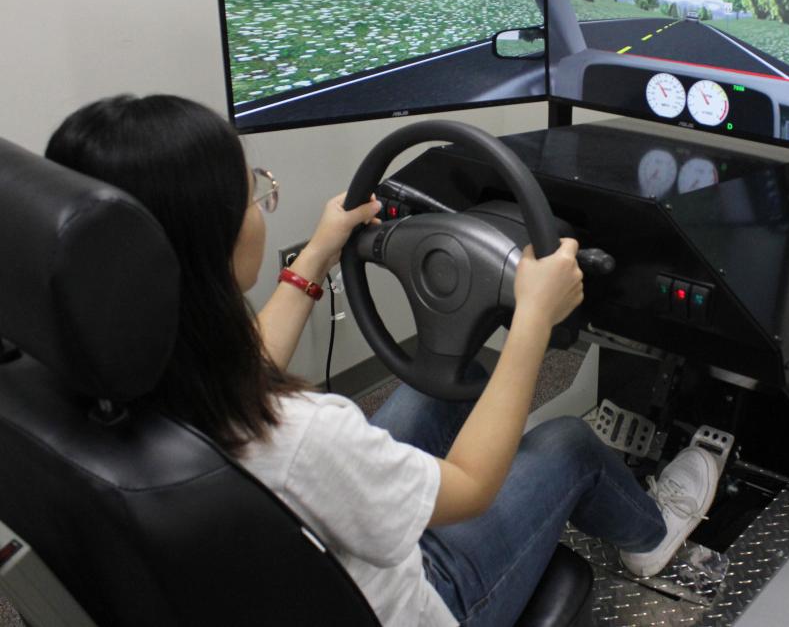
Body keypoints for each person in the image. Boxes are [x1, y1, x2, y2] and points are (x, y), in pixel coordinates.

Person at [46, 94, 720, 627]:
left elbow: (236, 370)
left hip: (299, 569)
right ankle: (653, 536)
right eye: (249, 190)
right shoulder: (305, 433)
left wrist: (316, 253)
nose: (258, 204)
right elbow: (470, 488)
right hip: (418, 602)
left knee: (446, 385)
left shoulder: (91, 375)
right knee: (568, 443)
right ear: (204, 243)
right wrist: (533, 320)